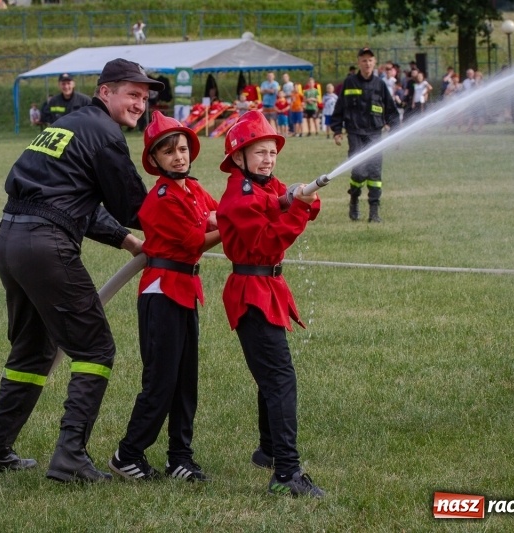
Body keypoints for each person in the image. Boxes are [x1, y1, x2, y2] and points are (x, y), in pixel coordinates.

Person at [0, 58, 164, 485]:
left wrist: (126, 240)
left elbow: (64, 195)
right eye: (131, 94)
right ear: (105, 92)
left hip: (10, 241)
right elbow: (135, 204)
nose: (140, 103)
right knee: (95, 350)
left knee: (32, 352)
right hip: (45, 245)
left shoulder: (72, 125)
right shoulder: (106, 134)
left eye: (144, 97)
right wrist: (190, 214)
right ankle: (69, 458)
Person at [215, 110, 324, 498]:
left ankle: (269, 451)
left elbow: (291, 205)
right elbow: (267, 242)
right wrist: (295, 206)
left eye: (271, 151)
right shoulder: (239, 196)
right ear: (238, 158)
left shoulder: (261, 185)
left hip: (266, 288)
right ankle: (287, 475)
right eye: (258, 152)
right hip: (252, 293)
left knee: (271, 377)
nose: (267, 158)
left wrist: (300, 197)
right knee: (280, 379)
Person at [109, 111, 220, 483]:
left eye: (183, 149)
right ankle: (128, 453)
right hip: (162, 294)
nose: (179, 157)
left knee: (186, 380)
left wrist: (262, 209)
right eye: (169, 151)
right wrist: (240, 223)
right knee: (161, 380)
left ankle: (179, 458)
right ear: (154, 160)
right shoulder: (159, 199)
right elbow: (194, 241)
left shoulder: (192, 188)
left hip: (186, 291)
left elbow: (218, 217)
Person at [329, 47, 400, 223]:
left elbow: (391, 110)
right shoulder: (349, 82)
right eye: (363, 60)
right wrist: (337, 131)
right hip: (355, 132)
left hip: (374, 133)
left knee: (375, 174)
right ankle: (354, 200)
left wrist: (396, 131)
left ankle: (374, 213)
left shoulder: (380, 85)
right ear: (358, 62)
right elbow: (339, 108)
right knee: (359, 172)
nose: (367, 63)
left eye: (370, 60)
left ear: (374, 62)